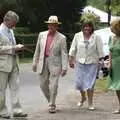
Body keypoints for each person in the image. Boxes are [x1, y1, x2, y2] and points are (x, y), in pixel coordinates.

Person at [32, 15, 68, 113]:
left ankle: (52, 104)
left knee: (54, 85)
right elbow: (37, 50)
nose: (51, 27)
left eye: (53, 25)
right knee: (42, 85)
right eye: (49, 25)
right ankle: (50, 101)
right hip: (43, 62)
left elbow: (64, 53)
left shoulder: (62, 38)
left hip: (56, 63)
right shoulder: (42, 35)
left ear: (57, 26)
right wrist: (34, 62)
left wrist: (64, 67)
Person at [69, 21, 104, 110]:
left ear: (92, 28)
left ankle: (90, 103)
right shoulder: (77, 36)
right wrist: (71, 59)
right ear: (82, 27)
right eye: (85, 27)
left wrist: (101, 60)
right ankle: (83, 97)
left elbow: (100, 50)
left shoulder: (96, 37)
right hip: (80, 62)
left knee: (90, 84)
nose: (87, 28)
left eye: (89, 27)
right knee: (79, 83)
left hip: (92, 63)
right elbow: (73, 48)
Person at [0, 10, 27, 118]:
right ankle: (2, 111)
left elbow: (11, 44)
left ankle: (17, 111)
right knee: (1, 90)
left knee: (15, 88)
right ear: (7, 20)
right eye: (14, 22)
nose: (15, 24)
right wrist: (13, 48)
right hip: (2, 65)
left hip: (14, 62)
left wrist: (17, 49)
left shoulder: (11, 31)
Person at [107, 19, 120, 114]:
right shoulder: (111, 38)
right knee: (116, 87)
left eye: (111, 25)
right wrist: (109, 63)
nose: (110, 27)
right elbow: (110, 51)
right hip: (115, 66)